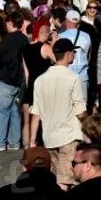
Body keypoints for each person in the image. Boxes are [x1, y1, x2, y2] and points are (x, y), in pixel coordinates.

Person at [29, 38, 87, 190]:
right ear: (68, 54)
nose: (74, 55)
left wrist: (32, 140)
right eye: (73, 52)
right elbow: (80, 112)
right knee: (65, 181)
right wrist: (88, 126)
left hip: (49, 137)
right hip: (69, 135)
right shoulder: (73, 78)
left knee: (57, 179)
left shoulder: (40, 80)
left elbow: (36, 114)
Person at [0, 10, 30, 152]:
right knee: (14, 112)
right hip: (19, 80)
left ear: (10, 23)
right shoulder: (24, 39)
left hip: (6, 78)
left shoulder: (8, 39)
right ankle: (14, 142)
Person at [20, 20, 54, 148]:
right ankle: (43, 145)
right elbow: (59, 60)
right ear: (44, 32)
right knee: (42, 119)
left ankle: (27, 149)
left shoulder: (24, 49)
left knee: (27, 122)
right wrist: (55, 43)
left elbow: (27, 73)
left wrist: (28, 88)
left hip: (30, 87)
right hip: (43, 87)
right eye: (49, 32)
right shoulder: (45, 48)